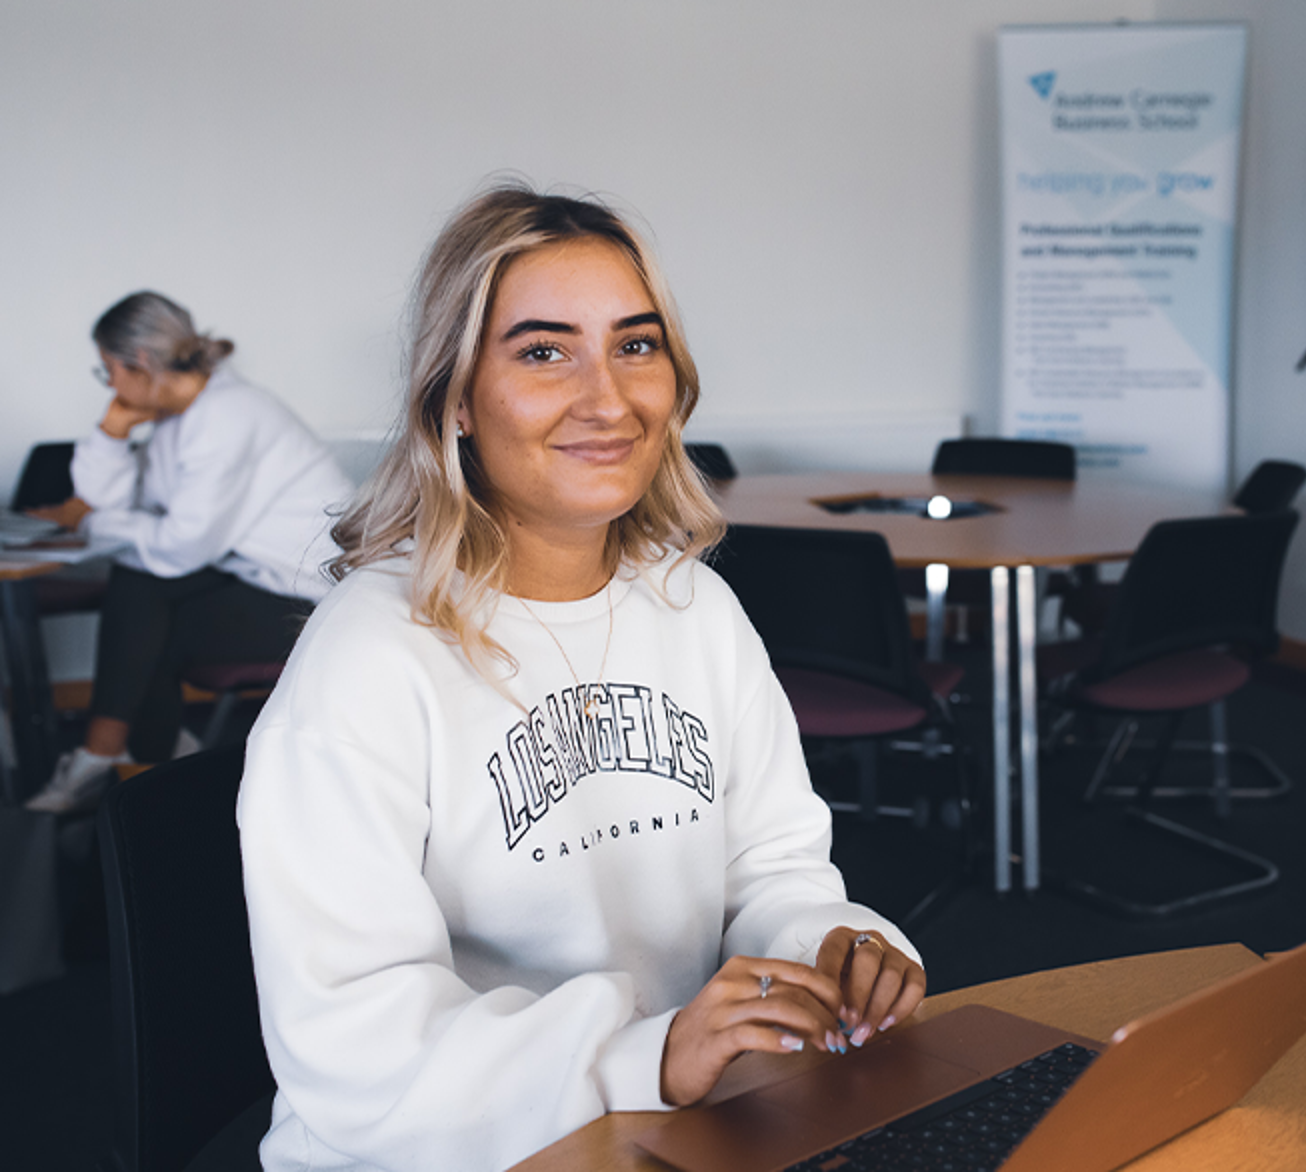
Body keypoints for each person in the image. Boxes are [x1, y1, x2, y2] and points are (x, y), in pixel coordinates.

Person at [236, 183, 927, 1171]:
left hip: (673, 1121)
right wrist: (642, 1058)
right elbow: (355, 1046)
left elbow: (773, 869)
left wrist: (830, 944)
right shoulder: (366, 658)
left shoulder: (694, 608)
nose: (607, 398)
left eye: (634, 345)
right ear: (458, 398)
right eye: (543, 350)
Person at [24, 292, 352, 813]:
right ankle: (141, 760)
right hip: (247, 573)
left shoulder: (227, 417)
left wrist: (90, 519)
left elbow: (177, 545)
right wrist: (111, 433)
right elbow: (121, 509)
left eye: (108, 370)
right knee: (139, 592)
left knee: (142, 609)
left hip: (313, 599)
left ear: (142, 363)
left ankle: (138, 761)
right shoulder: (177, 418)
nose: (109, 384)